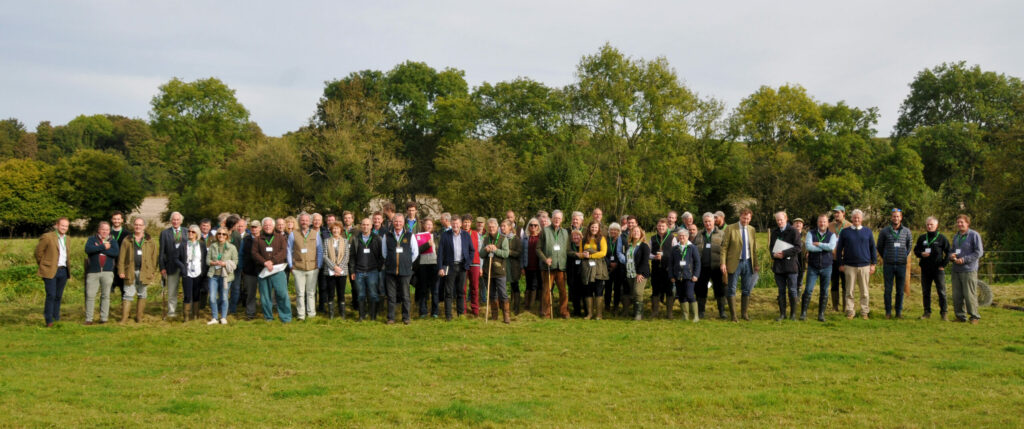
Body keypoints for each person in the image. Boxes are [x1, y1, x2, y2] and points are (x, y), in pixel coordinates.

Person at [836, 209, 876, 320]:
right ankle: (850, 311)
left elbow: (873, 248)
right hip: (849, 266)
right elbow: (839, 249)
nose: (856, 219)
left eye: (858, 217)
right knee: (849, 291)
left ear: (862, 219)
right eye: (854, 217)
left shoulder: (868, 231)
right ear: (852, 218)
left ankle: (864, 312)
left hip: (864, 266)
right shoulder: (845, 232)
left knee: (864, 291)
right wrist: (840, 263)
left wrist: (873, 264)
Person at [719, 208, 758, 321]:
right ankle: (733, 316)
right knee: (732, 289)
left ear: (750, 219)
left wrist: (755, 263)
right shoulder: (730, 228)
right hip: (734, 263)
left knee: (746, 289)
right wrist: (723, 263)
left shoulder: (752, 229)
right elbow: (724, 247)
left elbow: (753, 248)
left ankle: (744, 314)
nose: (745, 220)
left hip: (748, 262)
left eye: (748, 218)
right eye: (744, 218)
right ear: (740, 216)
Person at [117, 217, 158, 323]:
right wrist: (121, 270)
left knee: (142, 293)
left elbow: (154, 258)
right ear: (133, 226)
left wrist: (152, 271)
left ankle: (139, 317)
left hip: (144, 272)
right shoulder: (127, 240)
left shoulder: (150, 241)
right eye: (136, 224)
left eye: (140, 225)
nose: (138, 227)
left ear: (144, 226)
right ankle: (124, 318)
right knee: (128, 294)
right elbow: (121, 257)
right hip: (129, 271)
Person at [876, 208, 913, 319]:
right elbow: (880, 247)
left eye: (897, 216)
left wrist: (902, 256)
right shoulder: (884, 231)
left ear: (901, 217)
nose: (895, 218)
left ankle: (898, 312)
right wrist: (886, 256)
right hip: (888, 264)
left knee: (900, 290)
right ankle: (888, 312)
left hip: (901, 264)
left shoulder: (907, 231)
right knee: (888, 290)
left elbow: (909, 246)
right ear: (891, 217)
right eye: (894, 216)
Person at [382, 214, 418, 325]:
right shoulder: (387, 236)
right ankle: (391, 318)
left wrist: (407, 262)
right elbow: (384, 253)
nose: (398, 224)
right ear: (393, 222)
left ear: (404, 223)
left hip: (405, 271)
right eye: (396, 221)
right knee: (391, 296)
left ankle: (406, 318)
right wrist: (390, 262)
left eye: (400, 221)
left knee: (405, 295)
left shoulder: (409, 235)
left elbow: (415, 252)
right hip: (390, 271)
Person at [254, 217, 291, 323]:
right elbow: (254, 253)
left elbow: (283, 251)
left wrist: (272, 261)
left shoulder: (280, 237)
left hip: (278, 270)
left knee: (282, 294)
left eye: (270, 225)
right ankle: (268, 317)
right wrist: (265, 262)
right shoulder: (258, 239)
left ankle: (285, 317)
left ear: (273, 226)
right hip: (263, 270)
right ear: (262, 227)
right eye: (265, 225)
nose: (268, 227)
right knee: (265, 296)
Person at [913, 216, 951, 320]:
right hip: (925, 269)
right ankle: (927, 312)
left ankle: (944, 313)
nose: (929, 227)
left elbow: (948, 252)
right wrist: (921, 254)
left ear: (936, 226)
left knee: (941, 292)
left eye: (931, 225)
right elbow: (916, 250)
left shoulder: (942, 238)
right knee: (926, 292)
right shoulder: (922, 238)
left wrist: (943, 265)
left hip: (938, 269)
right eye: (928, 225)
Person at [36, 217, 71, 327]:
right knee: (51, 295)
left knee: (58, 296)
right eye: (62, 225)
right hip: (50, 270)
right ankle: (49, 320)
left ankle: (56, 318)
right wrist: (44, 265)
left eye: (66, 226)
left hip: (63, 270)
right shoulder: (48, 237)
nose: (64, 227)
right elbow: (38, 252)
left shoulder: (68, 238)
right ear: (57, 225)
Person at [438, 215, 474, 321]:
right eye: (453, 223)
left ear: (460, 224)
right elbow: (440, 253)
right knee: (448, 292)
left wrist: (468, 262)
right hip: (450, 266)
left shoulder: (466, 235)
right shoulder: (445, 235)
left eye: (457, 223)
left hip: (462, 266)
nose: (455, 225)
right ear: (451, 224)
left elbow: (472, 250)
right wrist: (440, 268)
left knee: (461, 291)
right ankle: (448, 315)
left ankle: (460, 313)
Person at [83, 222, 120, 325]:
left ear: (109, 231)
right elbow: (88, 250)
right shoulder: (92, 239)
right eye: (103, 229)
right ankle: (89, 319)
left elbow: (115, 253)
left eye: (107, 230)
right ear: (99, 230)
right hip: (93, 272)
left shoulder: (113, 241)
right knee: (90, 295)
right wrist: (103, 247)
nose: (105, 231)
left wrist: (99, 248)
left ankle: (104, 318)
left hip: (107, 272)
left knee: (105, 295)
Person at [288, 213, 323, 321]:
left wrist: (319, 265)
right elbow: (289, 250)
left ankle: (311, 314)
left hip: (313, 268)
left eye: (306, 220)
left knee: (311, 293)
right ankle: (301, 315)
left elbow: (320, 250)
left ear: (310, 222)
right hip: (298, 268)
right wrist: (291, 265)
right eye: (302, 220)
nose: (304, 222)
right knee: (300, 293)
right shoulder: (293, 234)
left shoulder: (315, 234)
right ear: (299, 221)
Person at [803, 214, 838, 322]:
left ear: (827, 223)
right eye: (820, 222)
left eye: (824, 222)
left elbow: (831, 247)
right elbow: (808, 246)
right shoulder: (810, 233)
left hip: (827, 267)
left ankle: (821, 314)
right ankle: (803, 313)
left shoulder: (832, 235)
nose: (822, 224)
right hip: (813, 266)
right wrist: (824, 248)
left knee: (824, 291)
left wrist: (818, 244)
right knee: (808, 290)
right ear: (817, 223)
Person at [950, 214, 984, 324]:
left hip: (969, 269)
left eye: (962, 222)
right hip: (956, 269)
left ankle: (974, 317)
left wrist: (964, 260)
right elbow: (952, 250)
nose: (959, 224)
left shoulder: (974, 235)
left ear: (967, 223)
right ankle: (960, 316)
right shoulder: (956, 236)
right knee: (957, 295)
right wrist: (951, 256)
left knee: (970, 295)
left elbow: (979, 252)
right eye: (958, 222)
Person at [537, 210, 570, 319]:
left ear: (562, 220)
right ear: (551, 219)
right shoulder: (545, 231)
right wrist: (545, 259)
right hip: (548, 267)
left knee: (563, 291)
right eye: (555, 218)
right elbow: (538, 249)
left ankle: (564, 312)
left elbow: (567, 249)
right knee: (547, 291)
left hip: (561, 267)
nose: (557, 220)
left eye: (559, 218)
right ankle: (546, 313)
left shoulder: (565, 232)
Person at [349, 218, 384, 321]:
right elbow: (352, 257)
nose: (365, 226)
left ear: (371, 226)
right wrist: (352, 271)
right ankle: (361, 316)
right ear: (361, 226)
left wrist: (378, 268)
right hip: (359, 271)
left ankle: (373, 316)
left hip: (373, 271)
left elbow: (382, 256)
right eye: (363, 225)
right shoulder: (355, 238)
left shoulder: (377, 238)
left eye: (367, 225)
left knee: (373, 294)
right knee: (360, 294)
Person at [769, 211, 801, 321]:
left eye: (781, 220)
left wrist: (784, 254)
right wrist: (773, 255)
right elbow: (771, 247)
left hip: (791, 266)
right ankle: (782, 314)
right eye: (777, 220)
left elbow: (798, 247)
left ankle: (793, 315)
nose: (779, 222)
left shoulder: (794, 231)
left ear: (786, 218)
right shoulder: (774, 232)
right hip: (779, 267)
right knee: (781, 290)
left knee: (792, 290)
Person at [693, 213, 725, 319]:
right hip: (702, 267)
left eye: (709, 221)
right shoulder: (698, 235)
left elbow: (726, 250)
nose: (708, 223)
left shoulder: (721, 234)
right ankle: (701, 311)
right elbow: (693, 250)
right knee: (701, 289)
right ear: (703, 222)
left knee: (719, 289)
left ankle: (722, 312)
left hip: (717, 267)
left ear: (713, 221)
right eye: (706, 221)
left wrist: (724, 264)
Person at [575, 220, 609, 320]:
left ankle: (599, 314)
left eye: (596, 227)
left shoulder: (602, 239)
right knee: (588, 290)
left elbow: (603, 253)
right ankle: (589, 314)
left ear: (599, 229)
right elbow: (580, 253)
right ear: (589, 228)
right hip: (586, 267)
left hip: (598, 266)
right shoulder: (584, 239)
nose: (594, 229)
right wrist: (583, 255)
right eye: (592, 227)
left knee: (598, 290)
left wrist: (591, 255)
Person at [481, 218, 512, 323]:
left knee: (503, 293)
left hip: (499, 271)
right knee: (492, 294)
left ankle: (506, 316)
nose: (491, 228)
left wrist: (496, 250)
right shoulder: (485, 239)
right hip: (488, 271)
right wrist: (486, 250)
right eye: (489, 227)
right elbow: (481, 254)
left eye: (493, 227)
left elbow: (506, 254)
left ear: (497, 227)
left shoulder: (503, 239)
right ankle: (494, 315)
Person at [159, 212, 188, 319]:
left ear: (181, 221)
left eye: (177, 219)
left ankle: (186, 312)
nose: (175, 221)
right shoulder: (165, 233)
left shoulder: (186, 232)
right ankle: (171, 312)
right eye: (174, 219)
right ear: (171, 220)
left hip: (185, 266)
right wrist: (162, 267)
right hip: (170, 266)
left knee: (187, 290)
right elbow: (162, 252)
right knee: (172, 291)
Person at [206, 227, 237, 325]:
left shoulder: (232, 247)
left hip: (226, 276)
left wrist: (225, 264)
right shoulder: (212, 246)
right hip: (213, 275)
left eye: (224, 234)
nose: (221, 236)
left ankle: (223, 317)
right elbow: (207, 261)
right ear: (216, 235)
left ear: (227, 236)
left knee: (224, 297)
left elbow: (236, 262)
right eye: (219, 233)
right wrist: (214, 263)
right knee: (212, 298)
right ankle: (214, 318)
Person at [670, 228, 701, 322]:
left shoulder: (693, 248)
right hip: (678, 276)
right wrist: (671, 276)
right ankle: (685, 316)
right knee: (681, 295)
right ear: (678, 237)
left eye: (684, 236)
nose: (682, 237)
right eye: (680, 236)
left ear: (687, 237)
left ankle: (696, 316)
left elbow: (697, 262)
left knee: (690, 295)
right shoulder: (675, 248)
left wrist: (696, 275)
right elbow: (670, 263)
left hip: (690, 276)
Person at [322, 221, 350, 319]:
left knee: (341, 292)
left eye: (337, 228)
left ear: (341, 230)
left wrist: (339, 268)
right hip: (330, 271)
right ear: (331, 230)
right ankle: (331, 314)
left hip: (342, 271)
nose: (336, 230)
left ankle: (342, 314)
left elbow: (347, 256)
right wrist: (334, 267)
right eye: (334, 228)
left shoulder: (345, 241)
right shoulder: (326, 241)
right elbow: (324, 256)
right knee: (331, 292)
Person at [829, 205, 852, 312]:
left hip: (845, 259)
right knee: (834, 283)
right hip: (832, 259)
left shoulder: (849, 226)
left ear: (843, 213)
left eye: (838, 213)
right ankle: (835, 306)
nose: (836, 215)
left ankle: (845, 306)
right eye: (835, 213)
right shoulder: (830, 226)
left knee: (845, 284)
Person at [181, 225, 207, 322]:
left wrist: (203, 271)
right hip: (187, 272)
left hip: (198, 272)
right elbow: (177, 258)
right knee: (187, 294)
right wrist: (182, 267)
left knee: (196, 294)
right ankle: (186, 316)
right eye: (189, 231)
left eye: (193, 232)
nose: (190, 233)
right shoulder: (184, 244)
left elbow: (204, 258)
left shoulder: (201, 244)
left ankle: (196, 315)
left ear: (197, 234)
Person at [649, 219, 674, 318]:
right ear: (657, 226)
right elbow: (648, 253)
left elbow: (675, 253)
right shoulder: (652, 238)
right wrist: (654, 257)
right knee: (655, 290)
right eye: (659, 226)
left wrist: (664, 257)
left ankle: (669, 313)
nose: (661, 228)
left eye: (663, 226)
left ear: (667, 227)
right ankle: (655, 312)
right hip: (656, 268)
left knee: (669, 290)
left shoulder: (672, 238)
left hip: (667, 268)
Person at [625, 225, 651, 321]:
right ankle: (635, 312)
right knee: (633, 293)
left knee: (638, 292)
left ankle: (639, 315)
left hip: (641, 273)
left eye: (638, 231)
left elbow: (645, 261)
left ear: (641, 234)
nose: (636, 233)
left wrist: (639, 273)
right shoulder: (629, 246)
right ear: (631, 234)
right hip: (630, 273)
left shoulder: (644, 246)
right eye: (634, 231)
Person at [414, 218, 438, 318]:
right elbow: (416, 250)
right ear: (423, 225)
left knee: (435, 290)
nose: (428, 226)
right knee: (423, 289)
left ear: (433, 226)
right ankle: (423, 311)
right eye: (427, 224)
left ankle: (435, 312)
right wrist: (427, 245)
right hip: (423, 265)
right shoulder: (418, 236)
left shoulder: (437, 236)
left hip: (434, 264)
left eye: (430, 224)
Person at [240, 220, 262, 320]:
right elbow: (241, 254)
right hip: (249, 270)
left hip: (262, 270)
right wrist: (241, 267)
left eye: (256, 227)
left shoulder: (265, 238)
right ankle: (250, 313)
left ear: (260, 228)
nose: (254, 229)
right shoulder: (246, 239)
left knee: (265, 293)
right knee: (250, 293)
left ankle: (265, 313)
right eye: (252, 227)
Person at [521, 218, 542, 315]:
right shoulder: (525, 238)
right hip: (527, 265)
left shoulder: (541, 238)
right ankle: (526, 305)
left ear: (538, 227)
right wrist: (522, 267)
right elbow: (522, 253)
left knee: (534, 285)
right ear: (528, 226)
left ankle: (532, 306)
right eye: (531, 225)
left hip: (538, 266)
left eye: (535, 225)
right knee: (528, 285)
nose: (533, 227)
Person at [464, 215, 484, 316]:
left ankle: (475, 308)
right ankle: (462, 309)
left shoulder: (476, 234)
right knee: (462, 287)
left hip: (475, 263)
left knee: (475, 287)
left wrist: (481, 267)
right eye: (465, 222)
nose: (467, 224)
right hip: (463, 264)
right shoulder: (460, 233)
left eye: (468, 222)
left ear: (471, 223)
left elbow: (480, 250)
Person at [604, 222, 625, 315]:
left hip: (618, 267)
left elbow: (623, 252)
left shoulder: (621, 240)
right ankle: (607, 305)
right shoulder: (606, 240)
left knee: (617, 288)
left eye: (616, 230)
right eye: (611, 230)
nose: (613, 231)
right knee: (607, 287)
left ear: (619, 231)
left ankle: (616, 306)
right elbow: (603, 253)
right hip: (607, 267)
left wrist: (616, 263)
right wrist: (609, 263)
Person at [504, 219, 524, 315]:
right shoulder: (500, 238)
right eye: (501, 226)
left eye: (504, 226)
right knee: (503, 287)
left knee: (514, 286)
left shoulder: (516, 239)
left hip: (513, 267)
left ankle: (516, 308)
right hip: (503, 266)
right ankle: (504, 307)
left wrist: (509, 252)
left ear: (510, 227)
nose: (502, 228)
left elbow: (519, 253)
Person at [109, 211, 128, 302]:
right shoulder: (107, 232)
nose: (116, 221)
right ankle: (105, 311)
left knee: (124, 289)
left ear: (122, 220)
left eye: (118, 219)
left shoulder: (127, 234)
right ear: (112, 220)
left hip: (122, 264)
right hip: (109, 264)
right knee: (108, 289)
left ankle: (124, 311)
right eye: (114, 219)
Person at [567, 229, 585, 317]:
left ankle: (586, 311)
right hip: (572, 272)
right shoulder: (569, 246)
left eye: (578, 235)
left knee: (584, 292)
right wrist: (575, 254)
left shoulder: (584, 246)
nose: (576, 237)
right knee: (574, 292)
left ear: (581, 237)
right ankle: (576, 311)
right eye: (574, 236)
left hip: (583, 272)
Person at [792, 218, 806, 294]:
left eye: (800, 223)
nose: (798, 224)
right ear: (793, 225)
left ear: (802, 225)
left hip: (802, 261)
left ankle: (798, 295)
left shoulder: (806, 236)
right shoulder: (789, 235)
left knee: (800, 279)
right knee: (792, 280)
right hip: (792, 261)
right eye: (796, 223)